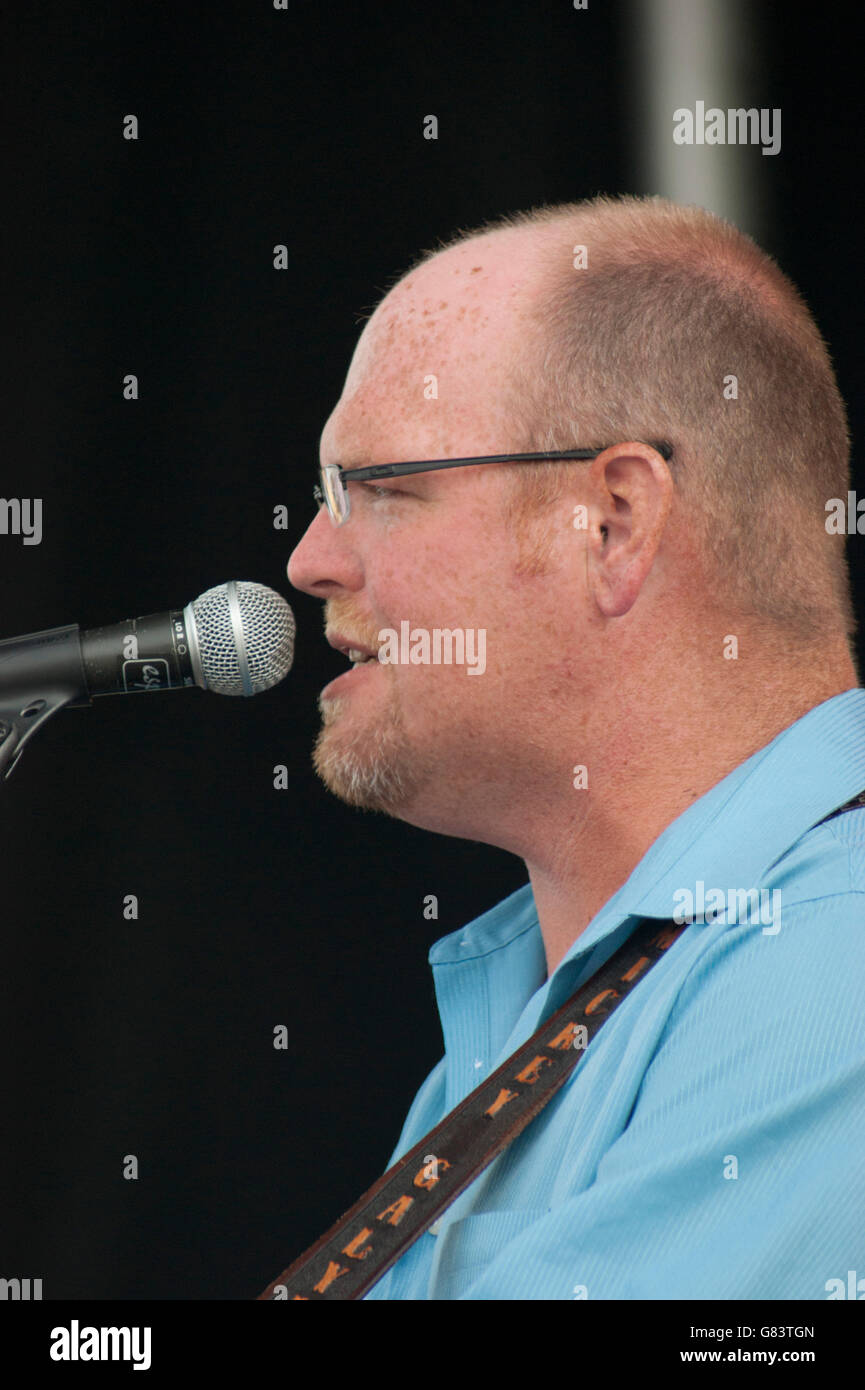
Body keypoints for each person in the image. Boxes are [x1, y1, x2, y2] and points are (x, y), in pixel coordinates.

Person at [286, 194, 865, 1300]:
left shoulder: (830, 971)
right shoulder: (542, 1010)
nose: (313, 558)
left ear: (610, 523)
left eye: (382, 490)